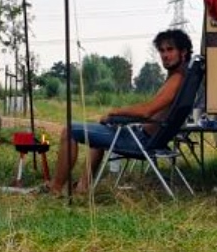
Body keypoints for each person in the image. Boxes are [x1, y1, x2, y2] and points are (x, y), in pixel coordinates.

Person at [47, 29, 193, 195]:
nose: (165, 55)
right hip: (148, 137)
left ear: (183, 52)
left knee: (70, 130)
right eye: (162, 50)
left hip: (141, 141)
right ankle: (83, 186)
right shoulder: (183, 77)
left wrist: (114, 112)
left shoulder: (177, 79)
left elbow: (147, 111)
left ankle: (56, 188)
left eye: (170, 49)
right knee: (99, 131)